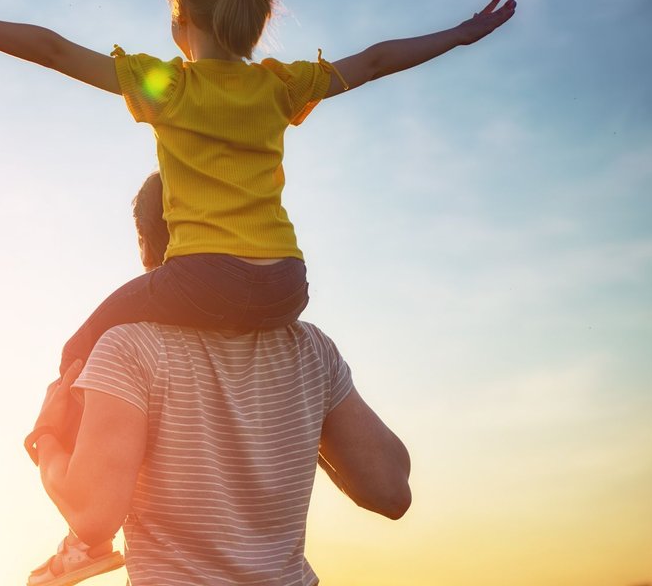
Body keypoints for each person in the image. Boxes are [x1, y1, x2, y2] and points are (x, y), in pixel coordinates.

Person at [0, 0, 512, 578]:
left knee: (79, 347)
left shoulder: (170, 87)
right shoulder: (281, 87)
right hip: (285, 286)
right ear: (255, 14)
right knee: (99, 342)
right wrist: (461, 34)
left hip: (201, 277)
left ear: (179, 16)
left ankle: (84, 546)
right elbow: (379, 59)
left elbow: (52, 48)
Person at [26, 171, 411, 585]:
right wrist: (304, 421)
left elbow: (93, 516)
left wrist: (45, 435)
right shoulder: (310, 349)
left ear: (144, 247)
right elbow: (391, 490)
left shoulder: (129, 348)